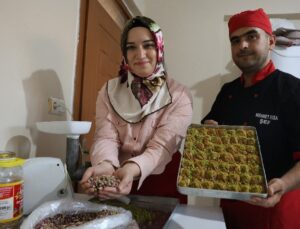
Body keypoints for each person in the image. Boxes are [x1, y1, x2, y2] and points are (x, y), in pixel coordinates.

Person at [202, 8, 300, 229]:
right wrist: (208, 134)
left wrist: (283, 184)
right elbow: (208, 137)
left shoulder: (292, 90)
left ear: (271, 42)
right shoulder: (227, 92)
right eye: (235, 40)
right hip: (230, 210)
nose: (242, 45)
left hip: (276, 211)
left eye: (251, 36)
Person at [80, 16, 193, 203]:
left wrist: (131, 169)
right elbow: (106, 136)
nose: (140, 54)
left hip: (161, 179)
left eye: (148, 45)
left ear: (159, 48)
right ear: (124, 52)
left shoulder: (180, 95)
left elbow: (161, 147)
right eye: (131, 47)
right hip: (115, 178)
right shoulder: (109, 91)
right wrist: (105, 165)